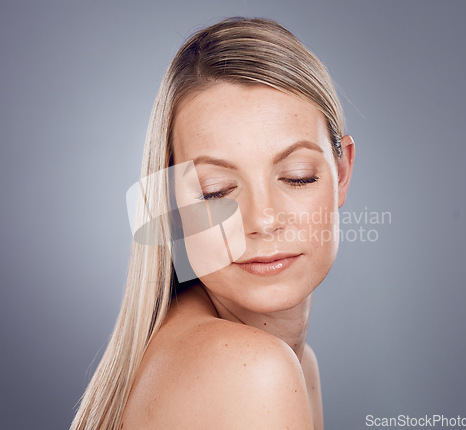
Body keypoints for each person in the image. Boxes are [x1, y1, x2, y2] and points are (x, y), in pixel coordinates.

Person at [70, 16, 355, 430]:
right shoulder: (255, 372)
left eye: (297, 175)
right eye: (216, 191)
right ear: (169, 204)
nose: (263, 220)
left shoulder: (295, 363)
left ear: (342, 172)